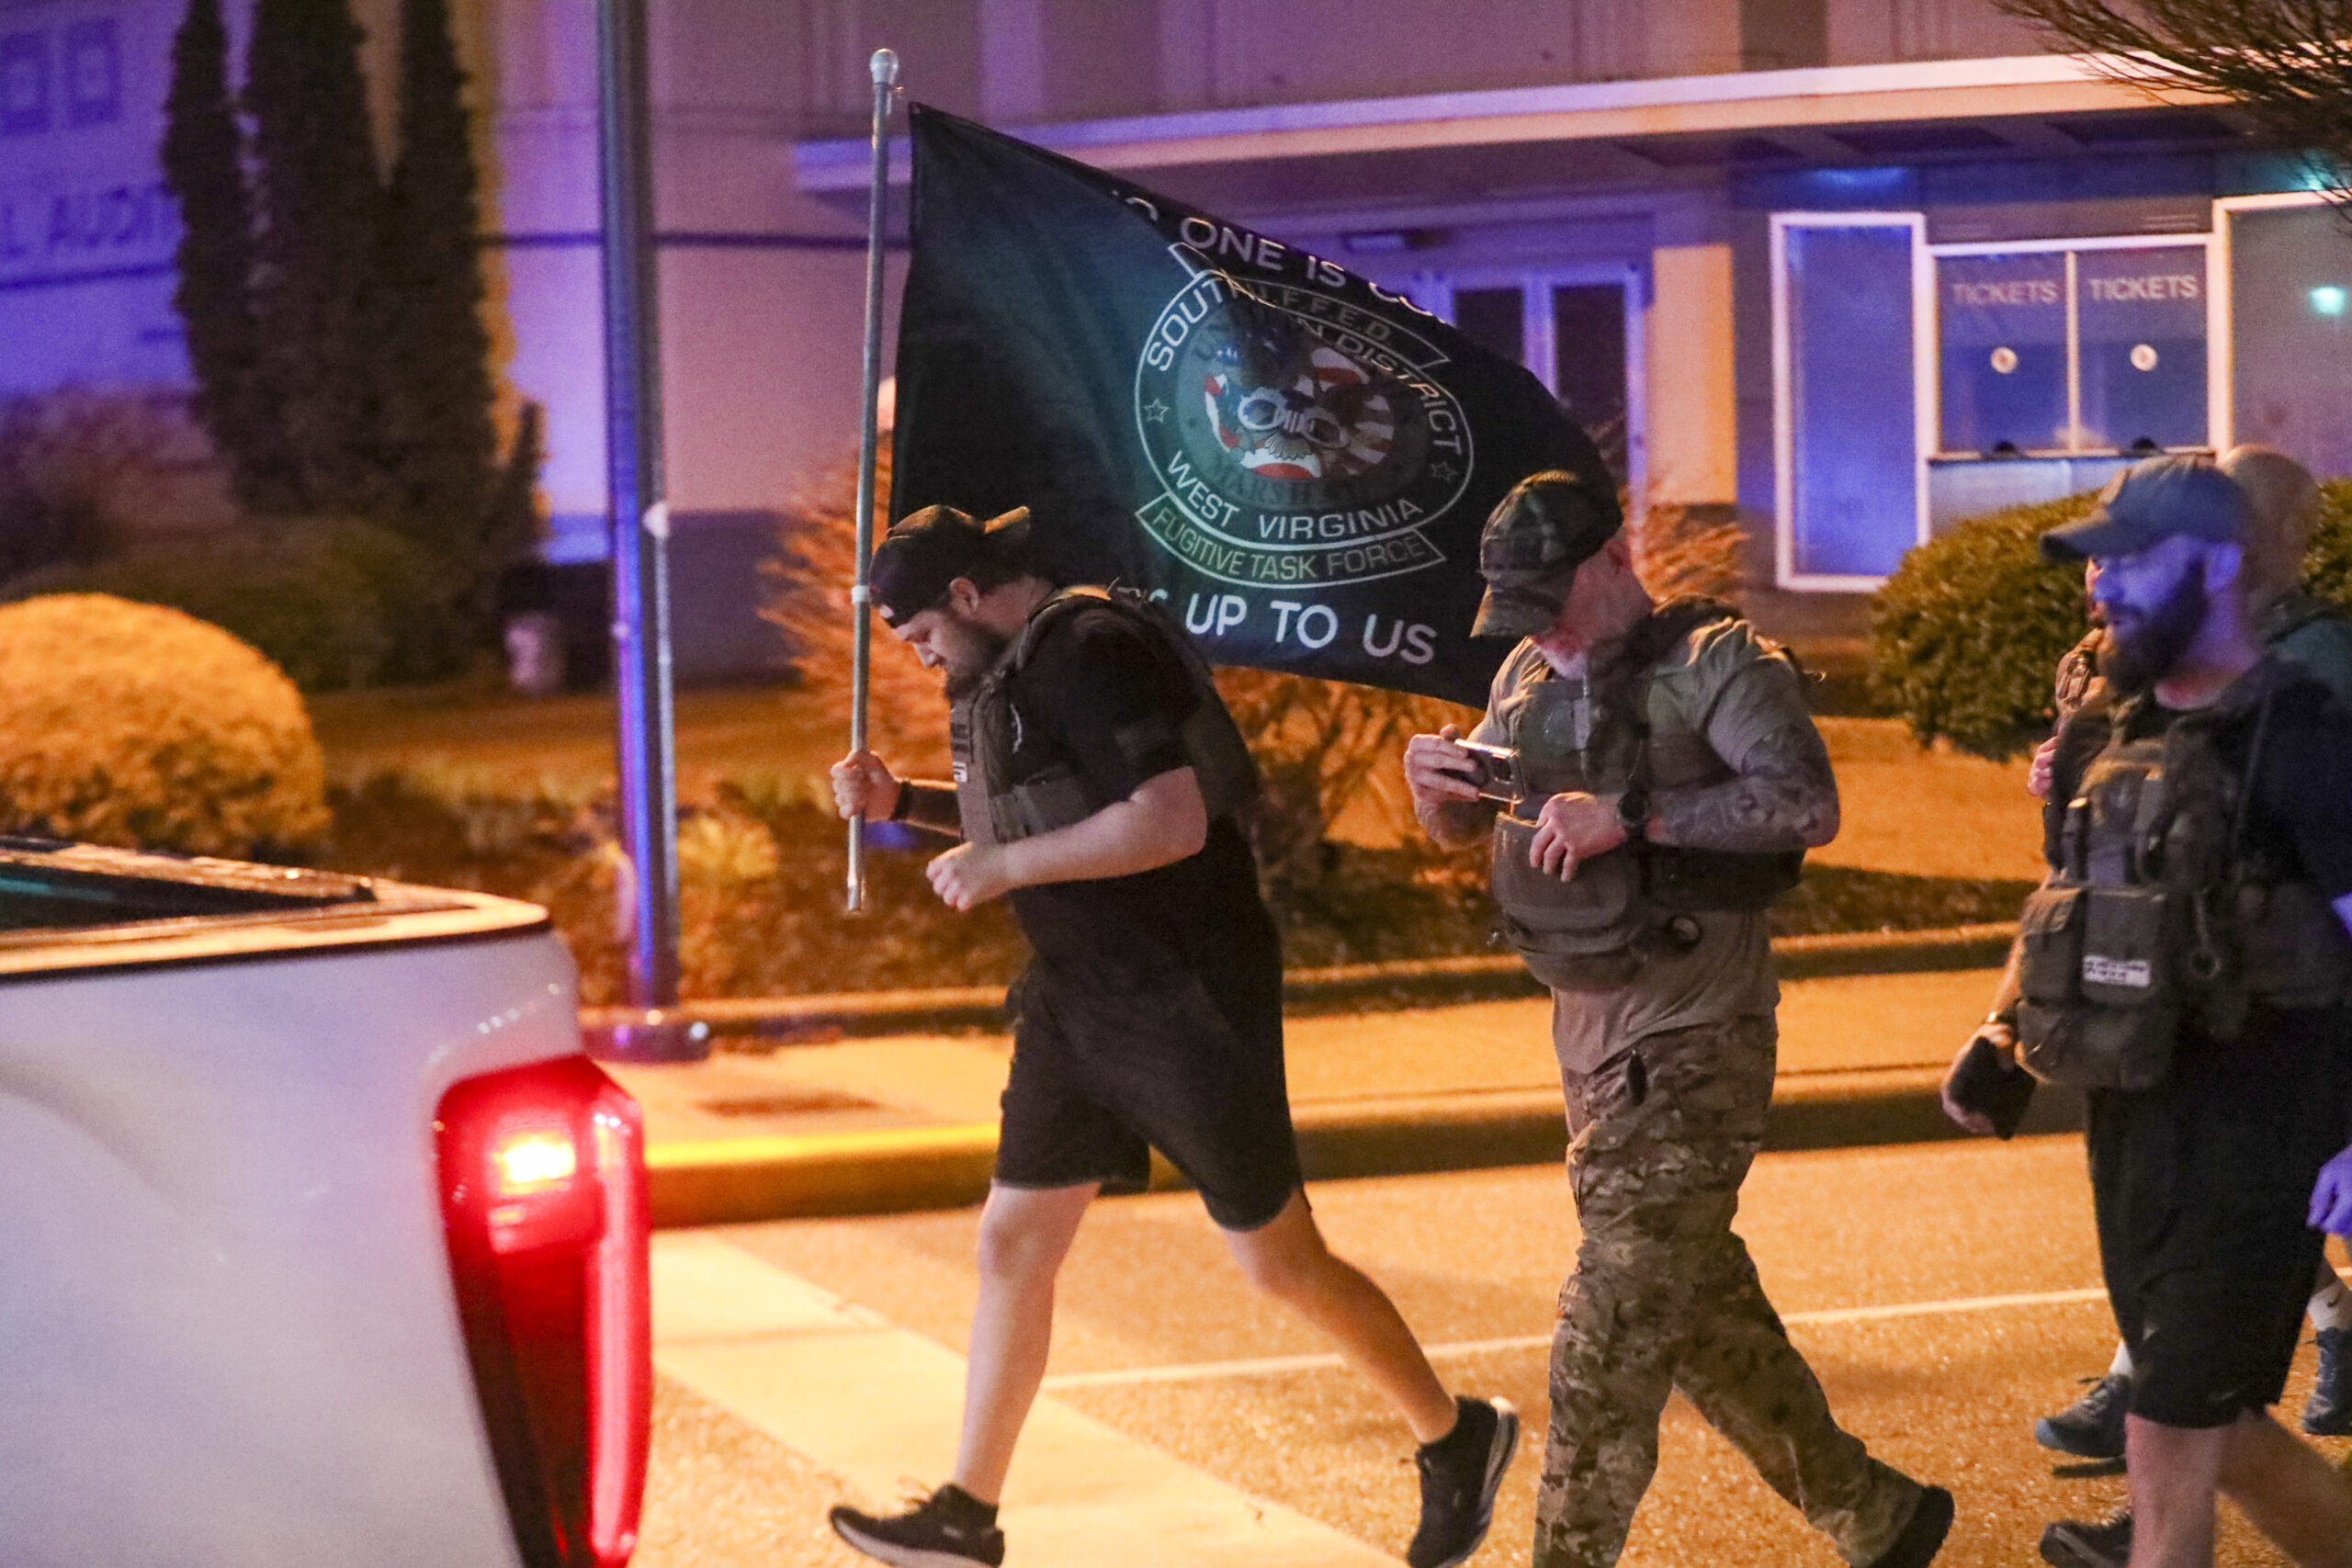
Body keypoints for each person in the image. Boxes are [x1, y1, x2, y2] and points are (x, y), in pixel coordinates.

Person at [823, 503, 1520, 1568]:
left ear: (966, 595)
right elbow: (1043, 809)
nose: (922, 661)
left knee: (1278, 1261)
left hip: (1183, 996)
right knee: (1012, 1243)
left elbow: (1167, 818)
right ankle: (967, 1514)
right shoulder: (1014, 669)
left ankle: (1455, 1433)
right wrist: (900, 799)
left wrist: (1004, 869)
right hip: (1077, 997)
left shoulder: (1091, 649)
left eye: (923, 637)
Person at [1404, 471, 1954, 1568]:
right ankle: (1877, 1517)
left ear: (1612, 560)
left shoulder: (1719, 663)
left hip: (1697, 1035)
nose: (1539, 633)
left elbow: (1804, 804)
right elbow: (1471, 826)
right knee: (1695, 1307)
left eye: (1551, 603)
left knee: (1606, 1334)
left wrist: (1631, 816)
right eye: (1520, 613)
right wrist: (1436, 791)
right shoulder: (1524, 675)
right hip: (1588, 1040)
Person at [1940, 454, 2352, 1568]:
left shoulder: (2300, 732)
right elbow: (2071, 902)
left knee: (2163, 1429)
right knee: (2223, 1432)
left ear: (2215, 563)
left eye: (2131, 563)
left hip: (2267, 1125)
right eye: (2096, 566)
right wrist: (2001, 1036)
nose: (2102, 586)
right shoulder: (2100, 732)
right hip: (2131, 1117)